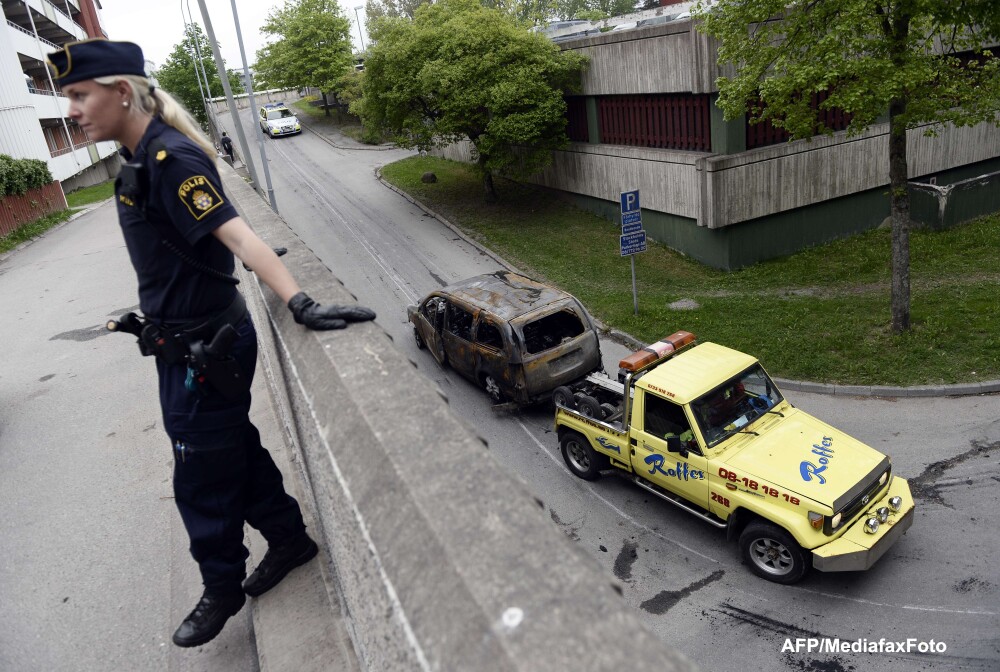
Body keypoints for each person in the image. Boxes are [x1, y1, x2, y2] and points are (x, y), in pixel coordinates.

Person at [47, 38, 376, 649]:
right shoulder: (138, 161)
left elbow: (239, 237)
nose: (71, 110)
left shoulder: (171, 160)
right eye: (68, 97)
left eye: (78, 95)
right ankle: (290, 539)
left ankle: (221, 586)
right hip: (182, 344)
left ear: (122, 92)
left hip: (208, 349)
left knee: (199, 474)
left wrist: (298, 301)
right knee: (232, 449)